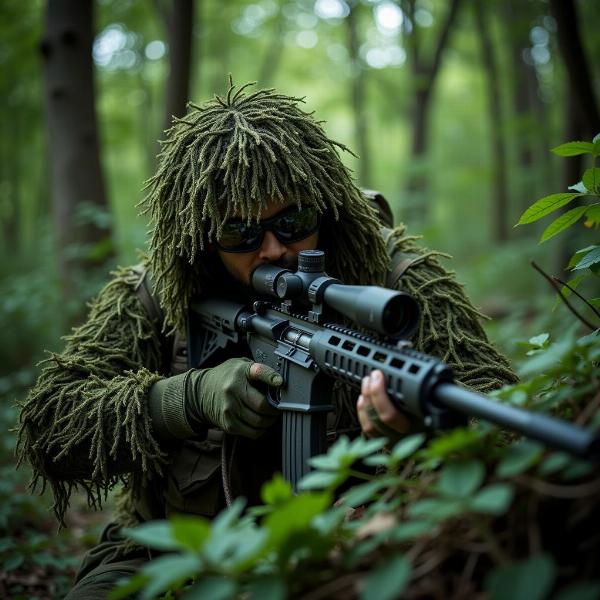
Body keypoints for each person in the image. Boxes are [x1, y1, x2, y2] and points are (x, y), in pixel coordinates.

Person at [18, 82, 516, 597]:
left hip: (357, 539)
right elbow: (49, 425)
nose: (276, 250)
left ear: (326, 206)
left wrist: (421, 437)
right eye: (241, 234)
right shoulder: (160, 293)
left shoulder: (391, 282)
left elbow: (496, 413)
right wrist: (187, 398)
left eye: (293, 221)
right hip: (169, 550)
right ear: (201, 237)